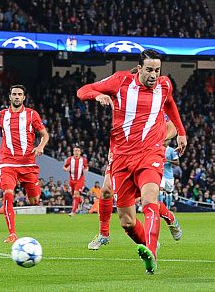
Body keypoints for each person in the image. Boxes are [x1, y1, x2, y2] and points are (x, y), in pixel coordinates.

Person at [77, 50, 187, 274]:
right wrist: (96, 96)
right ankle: (148, 239)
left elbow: (170, 104)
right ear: (138, 68)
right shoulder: (120, 81)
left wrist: (182, 133)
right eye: (149, 70)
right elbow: (82, 91)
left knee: (149, 199)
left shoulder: (164, 85)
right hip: (121, 157)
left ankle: (152, 256)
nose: (154, 75)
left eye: (157, 70)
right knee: (127, 221)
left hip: (151, 153)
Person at [0, 85, 50, 243]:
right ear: (10, 97)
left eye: (19, 94)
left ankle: (13, 204)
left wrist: (41, 146)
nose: (16, 97)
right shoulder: (1, 116)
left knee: (34, 200)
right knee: (8, 193)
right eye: (14, 94)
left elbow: (44, 134)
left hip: (28, 164)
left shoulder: (31, 115)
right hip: (7, 163)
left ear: (24, 98)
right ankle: (12, 233)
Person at [63, 146, 88, 216]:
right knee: (74, 195)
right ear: (73, 152)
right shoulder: (69, 159)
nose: (76, 152)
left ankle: (73, 211)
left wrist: (86, 170)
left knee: (76, 194)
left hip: (80, 180)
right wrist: (65, 169)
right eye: (75, 151)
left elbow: (86, 167)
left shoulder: (83, 160)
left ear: (80, 152)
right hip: (71, 180)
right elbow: (64, 167)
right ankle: (80, 200)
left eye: (78, 151)